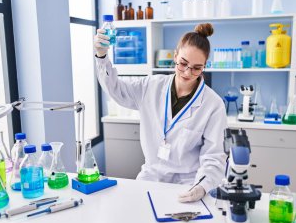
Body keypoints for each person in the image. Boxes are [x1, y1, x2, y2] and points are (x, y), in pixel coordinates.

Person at [94, 23, 227, 202]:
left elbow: (214, 157)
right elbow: (116, 89)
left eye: (196, 68)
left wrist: (202, 187)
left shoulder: (213, 105)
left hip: (189, 184)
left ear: (204, 66)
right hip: (151, 177)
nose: (188, 72)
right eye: (183, 63)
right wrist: (101, 56)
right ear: (175, 56)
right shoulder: (151, 86)